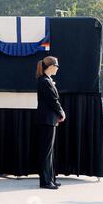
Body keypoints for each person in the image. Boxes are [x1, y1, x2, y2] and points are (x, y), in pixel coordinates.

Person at [36, 56, 66, 190]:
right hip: (47, 120)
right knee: (47, 151)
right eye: (57, 66)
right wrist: (61, 112)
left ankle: (51, 178)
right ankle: (46, 181)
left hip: (49, 119)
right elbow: (53, 100)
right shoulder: (44, 81)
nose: (58, 69)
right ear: (51, 66)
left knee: (49, 151)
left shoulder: (46, 80)